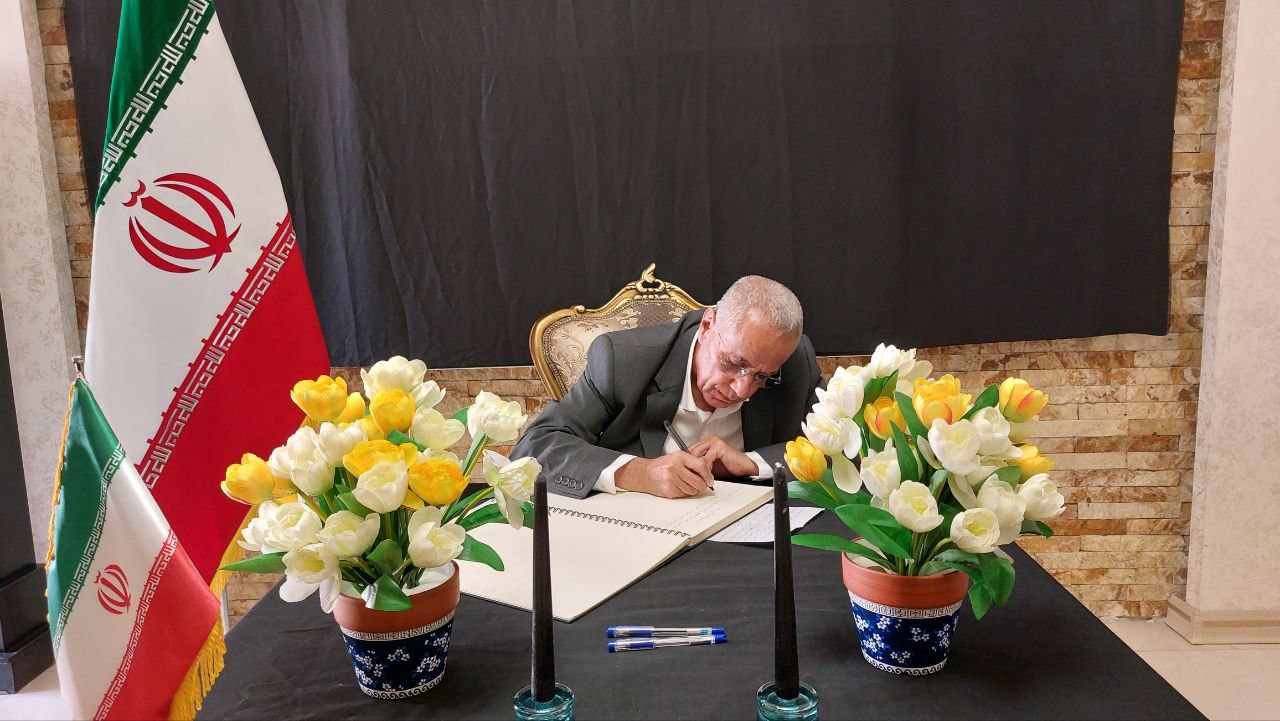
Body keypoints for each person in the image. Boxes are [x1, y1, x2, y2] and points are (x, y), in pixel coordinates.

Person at [514, 275, 822, 499]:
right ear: (707, 326)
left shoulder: (793, 362)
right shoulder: (622, 361)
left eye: (761, 377)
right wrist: (640, 473)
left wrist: (752, 463)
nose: (743, 390)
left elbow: (841, 446)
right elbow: (535, 448)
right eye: (733, 363)